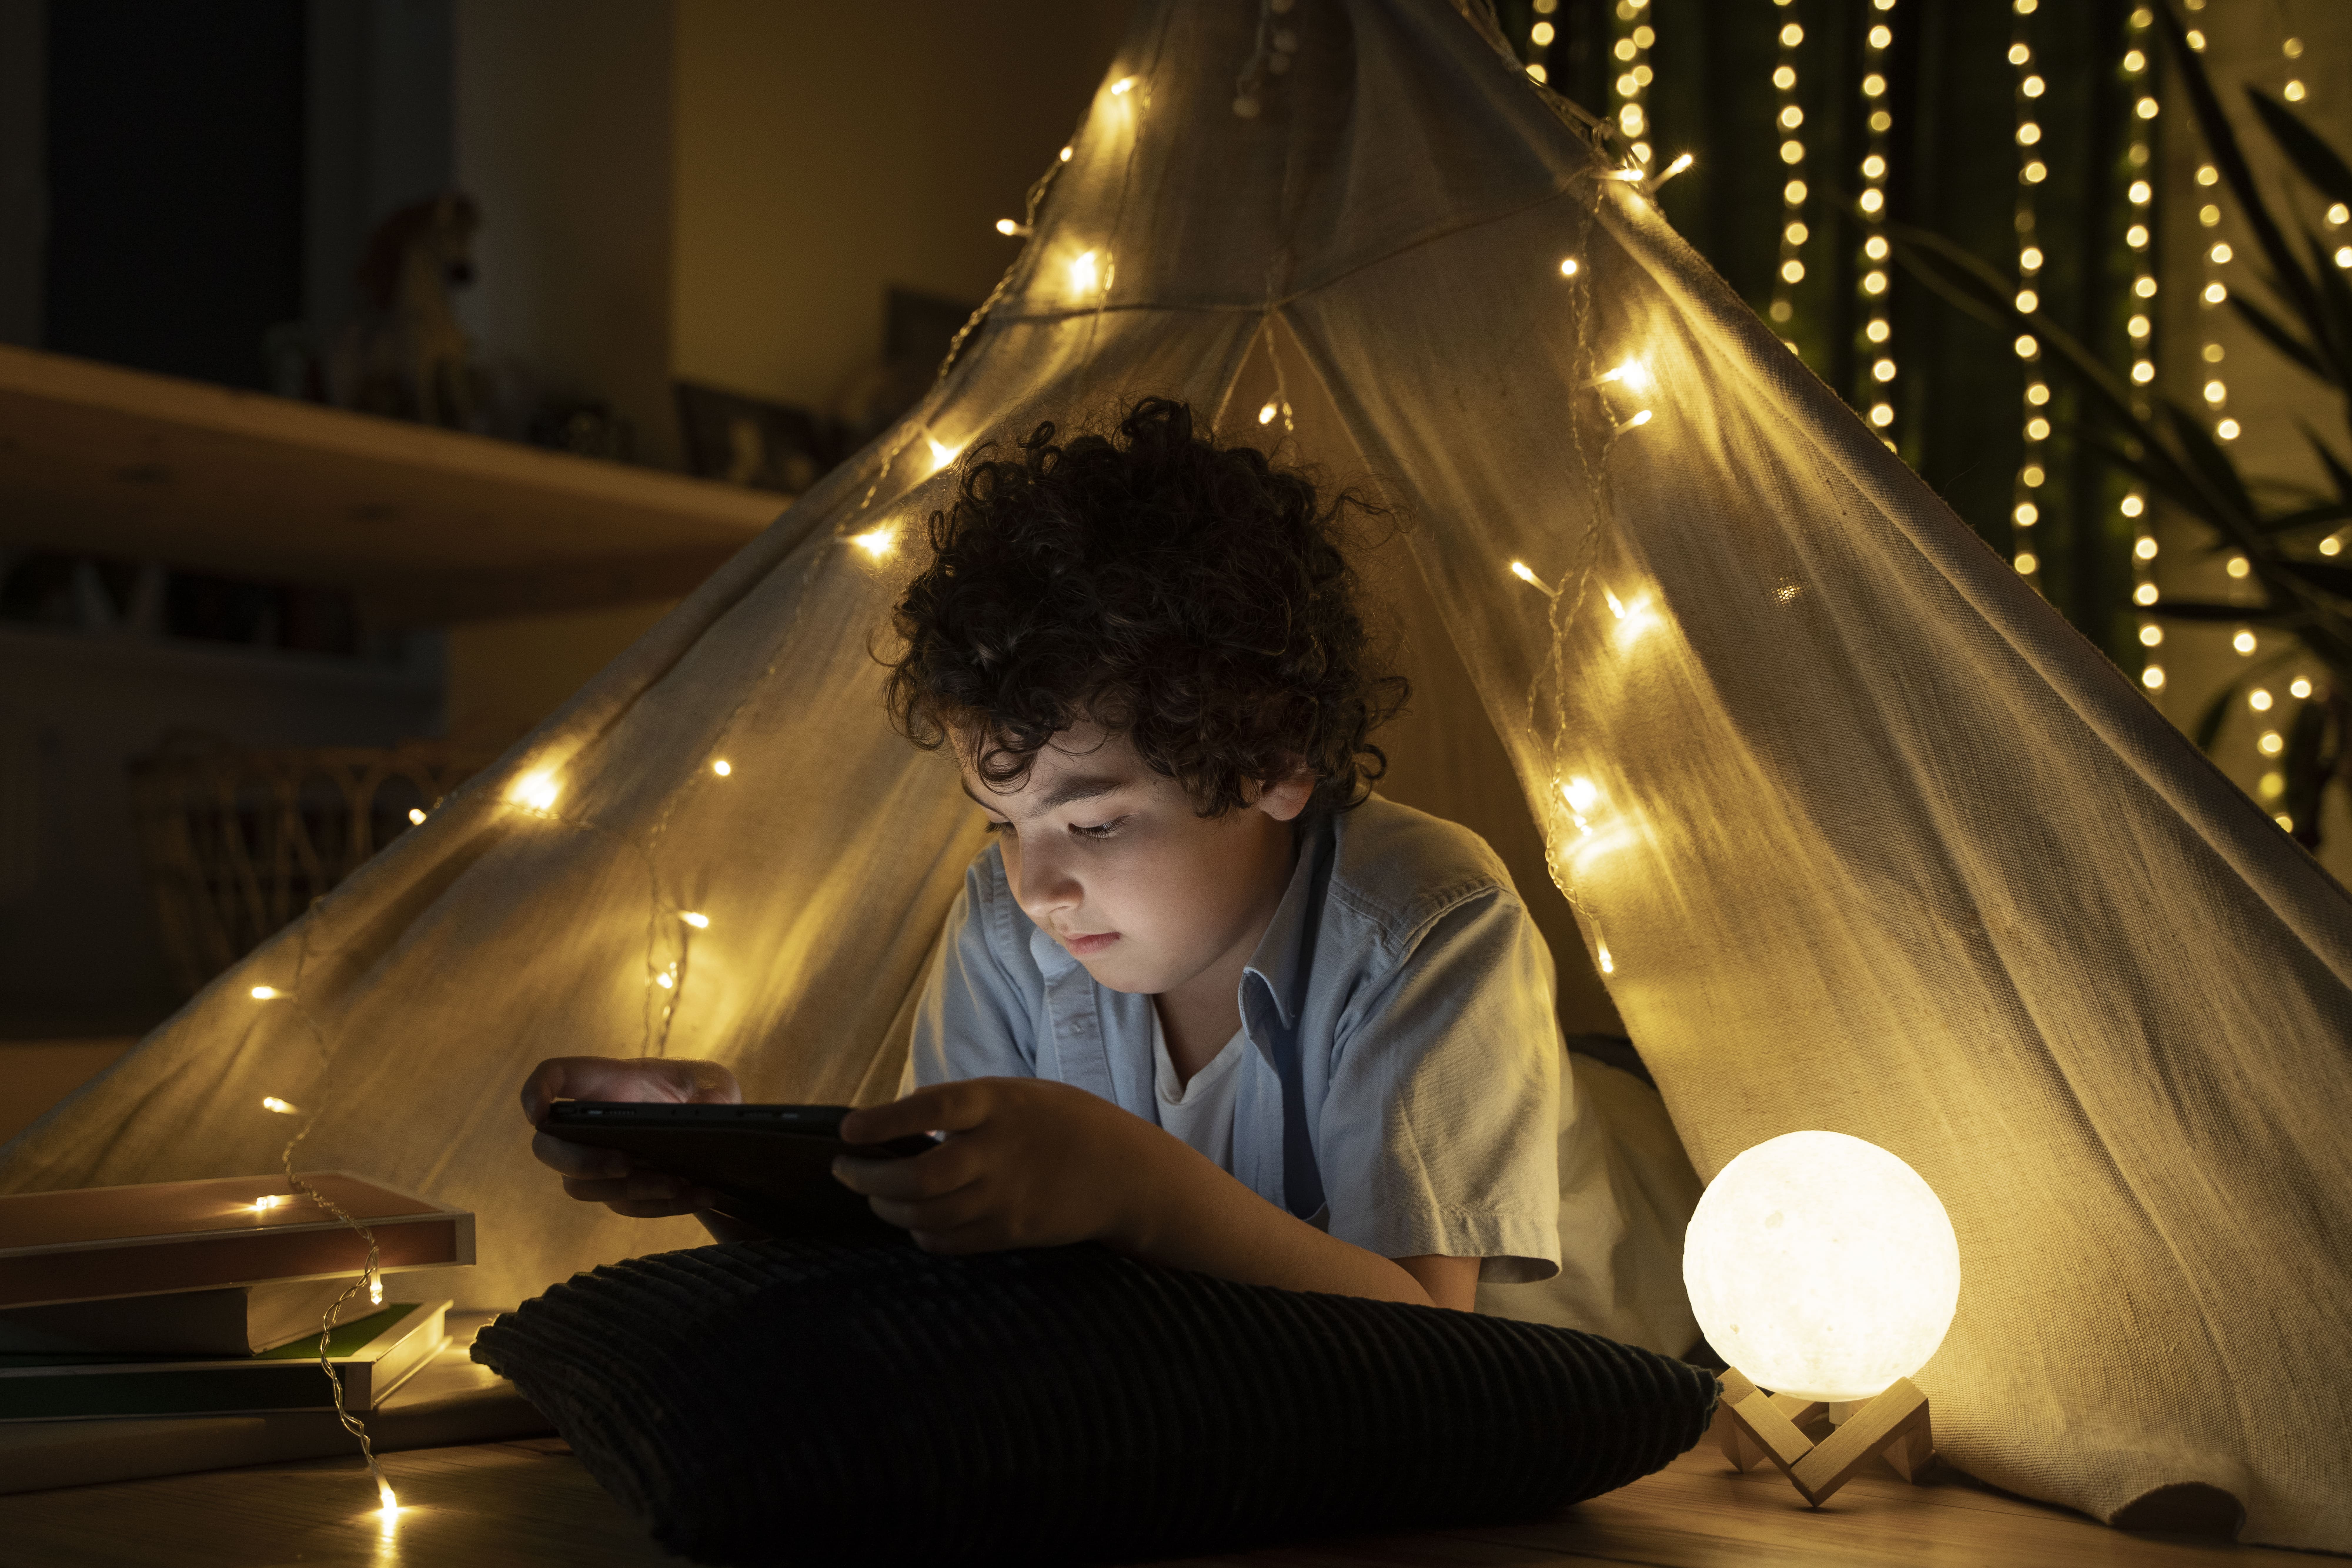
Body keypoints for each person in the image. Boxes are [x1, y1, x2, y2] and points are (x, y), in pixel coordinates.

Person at [520, 398, 1568, 1312]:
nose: (1038, 888)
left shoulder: (1427, 921)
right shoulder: (1003, 921)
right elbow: (938, 1270)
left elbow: (1435, 1340)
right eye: (1003, 823)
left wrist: (1133, 1187)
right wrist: (732, 1171)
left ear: (1276, 765)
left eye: (1098, 823)